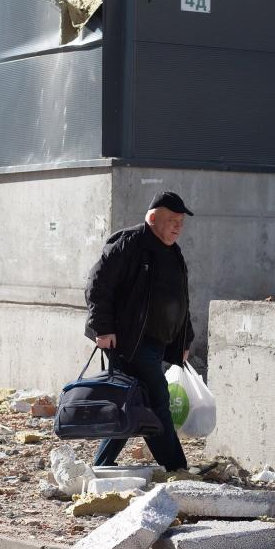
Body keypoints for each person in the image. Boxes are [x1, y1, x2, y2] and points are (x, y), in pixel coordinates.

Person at [84, 191, 196, 471]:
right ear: (153, 217)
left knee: (132, 402)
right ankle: (176, 467)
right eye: (172, 220)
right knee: (158, 399)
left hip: (157, 342)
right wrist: (103, 327)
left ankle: (101, 464)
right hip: (129, 342)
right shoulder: (129, 243)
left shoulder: (174, 252)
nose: (177, 226)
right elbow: (98, 286)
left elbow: (180, 299)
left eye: (181, 221)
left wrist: (184, 339)